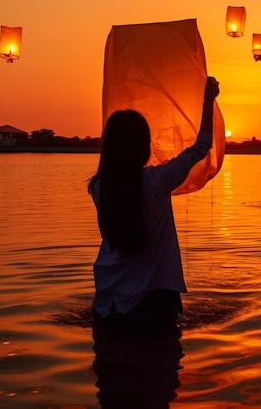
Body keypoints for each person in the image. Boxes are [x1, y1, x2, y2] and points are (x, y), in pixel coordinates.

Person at [88, 76, 220, 328]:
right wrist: (208, 99)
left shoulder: (99, 186)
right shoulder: (156, 182)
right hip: (153, 299)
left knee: (112, 364)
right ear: (143, 147)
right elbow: (201, 146)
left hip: (108, 300)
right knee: (158, 363)